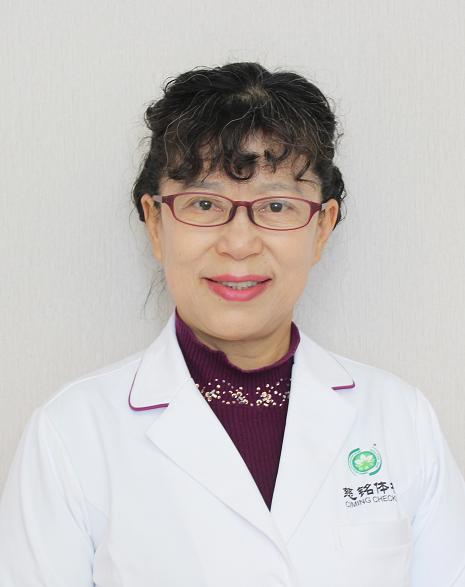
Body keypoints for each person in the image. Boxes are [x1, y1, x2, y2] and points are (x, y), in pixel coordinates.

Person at [0, 61, 464, 587]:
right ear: (155, 223)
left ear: (322, 227)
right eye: (204, 202)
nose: (239, 243)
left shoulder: (401, 421)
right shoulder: (72, 435)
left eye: (276, 205)